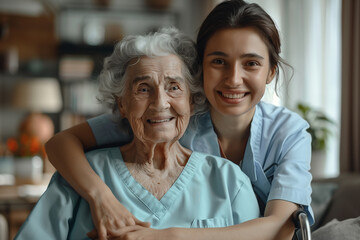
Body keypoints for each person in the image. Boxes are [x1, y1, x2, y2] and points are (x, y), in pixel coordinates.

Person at [45, 0, 314, 239]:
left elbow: (280, 227)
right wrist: (101, 198)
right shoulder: (168, 117)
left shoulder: (288, 132)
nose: (233, 79)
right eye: (219, 61)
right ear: (199, 69)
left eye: (251, 63)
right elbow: (61, 142)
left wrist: (165, 236)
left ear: (270, 72)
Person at [15, 27, 260, 239]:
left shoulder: (230, 182)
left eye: (173, 87)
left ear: (191, 101)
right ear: (122, 104)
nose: (160, 103)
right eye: (143, 89)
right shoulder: (81, 175)